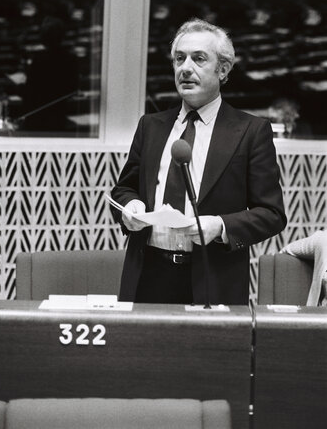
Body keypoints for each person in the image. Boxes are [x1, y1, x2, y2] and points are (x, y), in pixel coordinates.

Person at [111, 18, 286, 305]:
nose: (185, 68)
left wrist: (220, 226)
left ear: (223, 69)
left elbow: (272, 214)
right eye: (179, 59)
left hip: (213, 279)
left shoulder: (251, 131)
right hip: (148, 276)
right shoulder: (151, 126)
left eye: (198, 59)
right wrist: (129, 208)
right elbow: (124, 189)